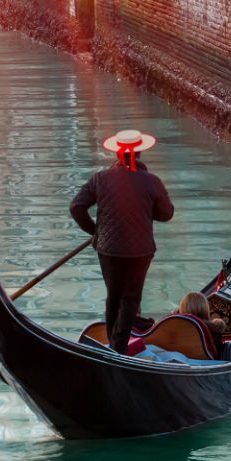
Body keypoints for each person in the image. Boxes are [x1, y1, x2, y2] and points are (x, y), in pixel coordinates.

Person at [71, 129, 175, 353]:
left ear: (118, 153)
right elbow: (167, 213)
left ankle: (113, 344)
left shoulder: (100, 179)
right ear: (139, 153)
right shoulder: (152, 181)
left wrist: (96, 231)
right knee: (130, 298)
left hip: (108, 249)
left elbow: (76, 207)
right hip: (140, 250)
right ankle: (118, 348)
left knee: (114, 295)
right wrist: (146, 210)